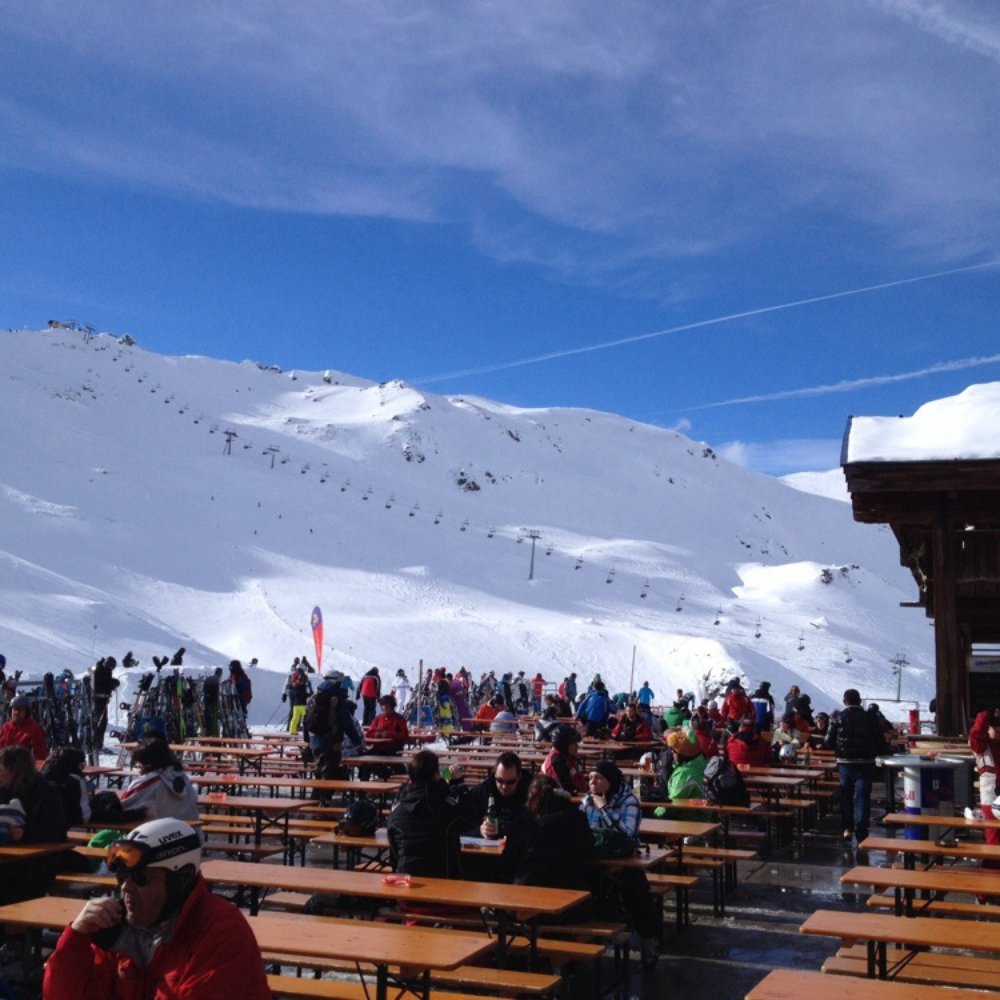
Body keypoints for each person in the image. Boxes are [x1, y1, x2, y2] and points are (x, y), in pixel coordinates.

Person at [43, 818, 271, 999]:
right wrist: (76, 940)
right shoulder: (115, 927)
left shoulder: (221, 931)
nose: (126, 888)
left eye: (142, 878)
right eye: (122, 876)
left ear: (180, 880)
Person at [580, 760, 660, 969]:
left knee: (636, 888)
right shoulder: (588, 800)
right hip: (595, 859)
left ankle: (648, 940)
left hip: (624, 861)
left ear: (610, 781)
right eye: (590, 778)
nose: (592, 783)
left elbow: (626, 834)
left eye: (598, 778)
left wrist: (604, 808)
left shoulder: (629, 802)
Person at [498, 774, 594, 905]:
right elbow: (588, 851)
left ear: (530, 796)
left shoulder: (524, 820)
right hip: (572, 904)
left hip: (526, 903)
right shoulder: (578, 818)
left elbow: (508, 861)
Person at [0, 745, 70, 902]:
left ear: (15, 770)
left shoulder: (45, 792)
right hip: (7, 858)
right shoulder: (4, 790)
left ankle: (18, 925)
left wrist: (24, 833)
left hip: (37, 863)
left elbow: (57, 831)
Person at [387, 749, 465, 879]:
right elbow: (469, 817)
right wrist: (459, 784)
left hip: (407, 880)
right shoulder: (447, 805)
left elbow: (394, 848)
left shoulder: (397, 808)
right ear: (436, 775)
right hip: (445, 879)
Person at [825, 688, 888, 845]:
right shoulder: (869, 717)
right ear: (859, 701)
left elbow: (828, 741)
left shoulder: (838, 717)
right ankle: (862, 832)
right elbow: (880, 741)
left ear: (845, 701)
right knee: (863, 797)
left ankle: (847, 828)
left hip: (845, 763)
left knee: (846, 796)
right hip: (865, 763)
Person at [306, 670, 365, 791]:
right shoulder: (337, 698)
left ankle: (317, 801)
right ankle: (324, 803)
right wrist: (357, 742)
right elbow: (346, 722)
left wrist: (308, 740)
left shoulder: (315, 696)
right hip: (332, 743)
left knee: (320, 772)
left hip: (315, 742)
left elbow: (306, 720)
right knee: (329, 775)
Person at [120, 736, 199, 823]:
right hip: (192, 832)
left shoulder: (150, 781)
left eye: (140, 762)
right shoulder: (181, 776)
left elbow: (121, 806)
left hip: (163, 833)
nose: (138, 766)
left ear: (148, 764)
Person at [461, 751, 531, 840]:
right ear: (495, 775)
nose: (504, 786)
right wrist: (480, 830)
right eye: (500, 781)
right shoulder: (485, 789)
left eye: (510, 782)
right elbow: (463, 823)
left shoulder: (531, 791)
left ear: (519, 777)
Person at [968, 707, 1000, 855]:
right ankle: (991, 872)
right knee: (993, 840)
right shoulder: (980, 744)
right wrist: (986, 714)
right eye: (996, 727)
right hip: (991, 797)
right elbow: (976, 732)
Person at [0, 693, 49, 760]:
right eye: (14, 709)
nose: (16, 712)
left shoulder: (34, 728)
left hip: (24, 766)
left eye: (20, 710)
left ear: (26, 712)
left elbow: (41, 754)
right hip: (6, 765)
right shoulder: (6, 728)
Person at [542, 724, 588, 793]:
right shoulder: (558, 762)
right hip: (567, 801)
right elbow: (567, 790)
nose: (577, 746)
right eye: (574, 743)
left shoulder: (566, 757)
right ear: (564, 744)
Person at [282, 665, 312, 734]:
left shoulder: (291, 675)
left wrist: (284, 694)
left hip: (291, 693)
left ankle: (290, 727)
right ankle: (297, 726)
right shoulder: (304, 676)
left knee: (293, 709)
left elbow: (285, 684)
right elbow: (308, 685)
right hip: (300, 695)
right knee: (302, 712)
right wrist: (310, 693)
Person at [202, 668, 223, 737]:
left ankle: (208, 731)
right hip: (214, 702)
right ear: (220, 673)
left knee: (207, 717)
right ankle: (214, 734)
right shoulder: (217, 680)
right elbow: (217, 693)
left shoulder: (209, 678)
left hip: (206, 701)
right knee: (214, 718)